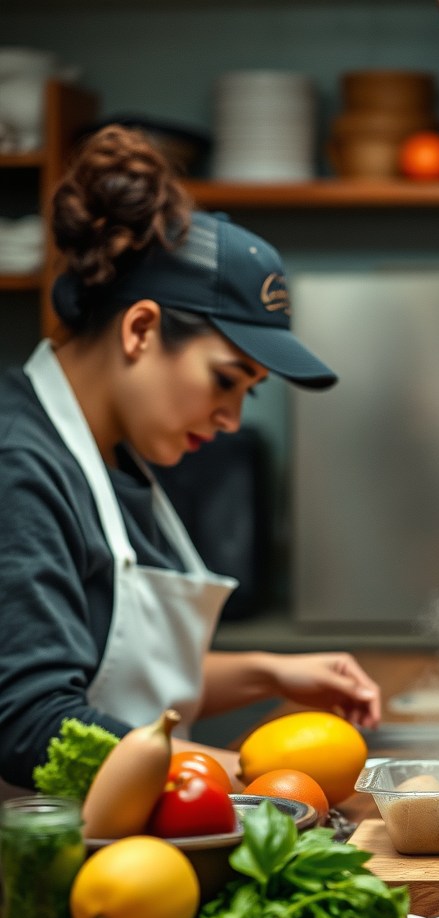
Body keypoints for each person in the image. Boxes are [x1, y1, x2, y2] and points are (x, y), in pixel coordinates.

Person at [0, 127, 380, 794]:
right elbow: (34, 724)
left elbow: (111, 674)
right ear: (141, 329)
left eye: (247, 393)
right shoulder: (19, 467)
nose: (231, 419)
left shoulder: (115, 459)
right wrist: (244, 779)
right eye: (224, 380)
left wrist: (268, 672)